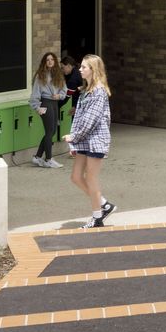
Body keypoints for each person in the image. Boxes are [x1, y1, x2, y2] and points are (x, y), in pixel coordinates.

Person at [67, 53, 114, 228]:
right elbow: (80, 118)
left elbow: (90, 120)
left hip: (96, 140)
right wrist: (74, 141)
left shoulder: (99, 91)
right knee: (76, 177)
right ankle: (104, 204)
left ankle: (97, 217)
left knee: (91, 177)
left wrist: (74, 137)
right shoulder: (86, 90)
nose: (80, 69)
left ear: (92, 70)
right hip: (85, 140)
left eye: (83, 67)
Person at [28, 51, 68, 168]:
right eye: (47, 60)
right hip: (45, 103)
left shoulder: (58, 74)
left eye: (52, 59)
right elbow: (35, 94)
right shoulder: (41, 75)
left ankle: (37, 157)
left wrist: (59, 96)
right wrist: (37, 107)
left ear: (55, 61)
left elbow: (64, 89)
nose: (50, 61)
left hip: (55, 103)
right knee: (50, 131)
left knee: (52, 131)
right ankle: (48, 159)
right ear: (44, 62)